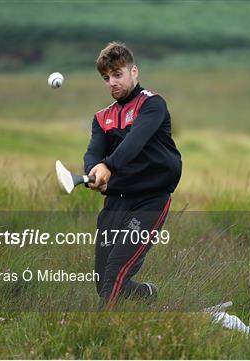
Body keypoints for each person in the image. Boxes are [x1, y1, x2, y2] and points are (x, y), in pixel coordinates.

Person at [83, 42, 182, 310]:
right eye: (106, 78)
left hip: (150, 201)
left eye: (117, 74)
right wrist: (93, 171)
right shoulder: (102, 118)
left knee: (115, 272)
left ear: (134, 72)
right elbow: (93, 153)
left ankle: (102, 337)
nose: (112, 82)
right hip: (116, 202)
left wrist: (109, 167)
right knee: (103, 280)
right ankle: (147, 295)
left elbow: (133, 144)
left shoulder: (152, 105)